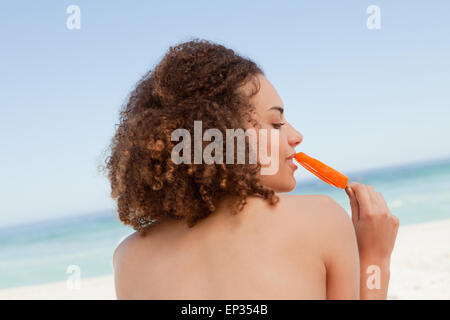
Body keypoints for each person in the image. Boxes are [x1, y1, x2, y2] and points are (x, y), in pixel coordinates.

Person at [105, 38, 399, 299]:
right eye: (275, 123)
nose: (296, 136)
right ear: (219, 135)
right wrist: (375, 257)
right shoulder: (322, 219)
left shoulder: (128, 258)